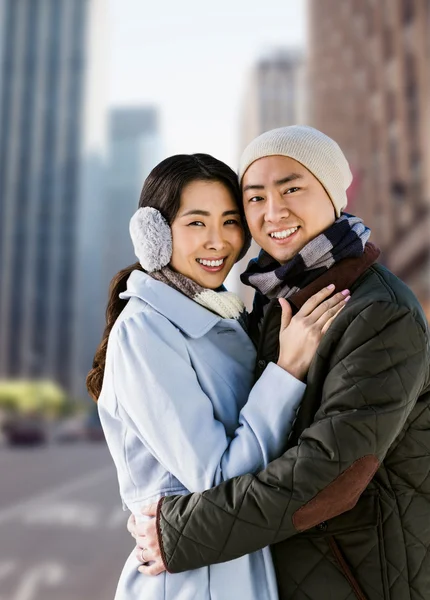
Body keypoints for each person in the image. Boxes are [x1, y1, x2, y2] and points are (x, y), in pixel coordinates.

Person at [132, 127, 430, 600]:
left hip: (362, 581)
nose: (274, 212)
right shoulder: (272, 303)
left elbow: (330, 472)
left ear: (333, 194)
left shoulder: (379, 312)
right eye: (255, 197)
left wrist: (179, 533)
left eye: (292, 188)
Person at [87, 153, 348, 600]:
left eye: (230, 222)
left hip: (234, 563)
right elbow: (217, 478)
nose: (217, 242)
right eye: (196, 223)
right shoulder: (145, 330)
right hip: (191, 578)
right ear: (155, 234)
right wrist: (287, 372)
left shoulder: (223, 315)